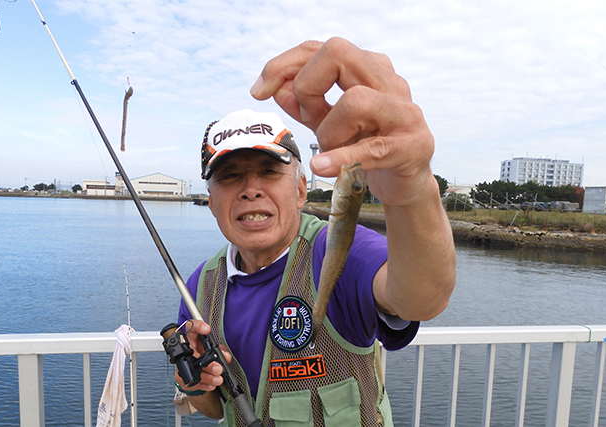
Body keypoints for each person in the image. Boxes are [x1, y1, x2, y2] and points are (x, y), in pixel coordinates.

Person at [175, 37, 456, 426]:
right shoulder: (200, 288)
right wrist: (197, 385)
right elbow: (213, 407)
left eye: (270, 171)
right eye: (230, 176)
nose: (250, 188)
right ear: (212, 201)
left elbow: (422, 297)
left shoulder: (339, 249)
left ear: (302, 189)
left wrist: (415, 191)